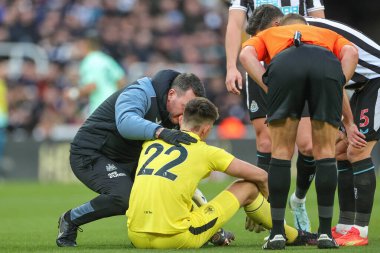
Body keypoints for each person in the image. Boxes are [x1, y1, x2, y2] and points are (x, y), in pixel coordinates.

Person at [241, 3, 366, 237]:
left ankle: (277, 232)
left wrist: (267, 84)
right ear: (305, 24)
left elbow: (245, 54)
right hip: (326, 66)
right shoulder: (325, 33)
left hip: (285, 68)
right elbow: (352, 53)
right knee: (326, 152)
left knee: (281, 152)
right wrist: (338, 81)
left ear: (282, 25)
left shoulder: (270, 33)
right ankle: (326, 234)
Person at [126, 97, 317, 249]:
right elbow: (261, 176)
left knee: (180, 191)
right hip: (175, 238)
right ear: (207, 129)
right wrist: (259, 209)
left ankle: (217, 234)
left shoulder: (150, 143)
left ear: (181, 119)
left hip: (136, 235)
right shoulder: (206, 151)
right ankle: (292, 235)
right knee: (247, 186)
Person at [56, 69, 212, 247]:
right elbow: (125, 122)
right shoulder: (141, 91)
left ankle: (203, 230)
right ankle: (70, 219)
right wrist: (161, 131)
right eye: (185, 107)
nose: (184, 116)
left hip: (128, 159)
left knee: (166, 186)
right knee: (124, 198)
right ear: (171, 94)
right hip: (91, 153)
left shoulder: (173, 115)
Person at [225, 1, 325, 232]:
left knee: (308, 146)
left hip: (298, 65)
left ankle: (298, 200)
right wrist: (231, 66)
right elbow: (235, 25)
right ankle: (266, 210)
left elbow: (320, 24)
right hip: (260, 66)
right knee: (266, 142)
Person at [306, 17, 380, 247]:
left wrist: (347, 125)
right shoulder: (303, 31)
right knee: (341, 152)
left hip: (377, 80)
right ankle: (346, 226)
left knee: (357, 150)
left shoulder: (306, 36)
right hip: (363, 86)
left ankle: (361, 230)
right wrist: (343, 124)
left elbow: (332, 83)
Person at [65, 32, 126, 116]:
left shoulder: (89, 61)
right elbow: (121, 80)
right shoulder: (107, 59)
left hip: (100, 109)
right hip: (115, 108)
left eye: (80, 46)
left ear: (86, 45)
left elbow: (92, 86)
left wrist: (73, 93)